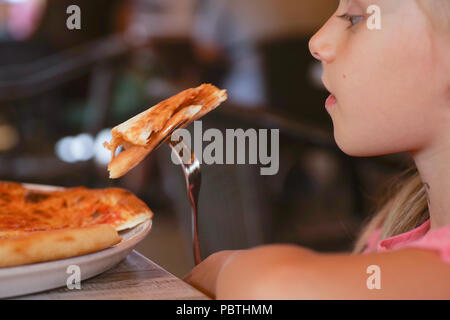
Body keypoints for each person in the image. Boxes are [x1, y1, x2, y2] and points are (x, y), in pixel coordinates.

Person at [183, 0, 450, 299]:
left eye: (356, 18)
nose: (316, 41)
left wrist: (224, 266)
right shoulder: (397, 227)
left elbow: (271, 287)